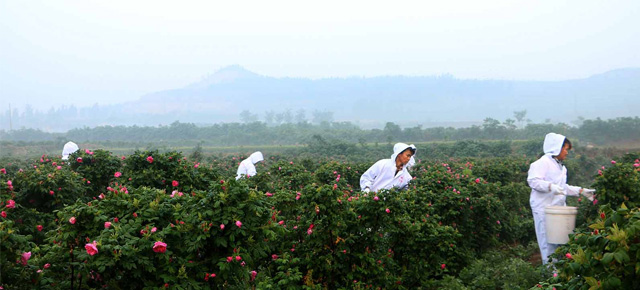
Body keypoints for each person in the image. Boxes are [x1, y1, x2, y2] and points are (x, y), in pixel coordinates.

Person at [527, 133, 596, 264]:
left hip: (558, 210)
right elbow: (533, 181)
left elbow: (562, 187)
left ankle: (559, 275)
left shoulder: (560, 166)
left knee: (561, 243)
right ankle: (549, 277)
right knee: (548, 244)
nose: (567, 153)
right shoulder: (542, 163)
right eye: (565, 149)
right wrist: (550, 186)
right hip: (544, 209)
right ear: (556, 147)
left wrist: (581, 191)